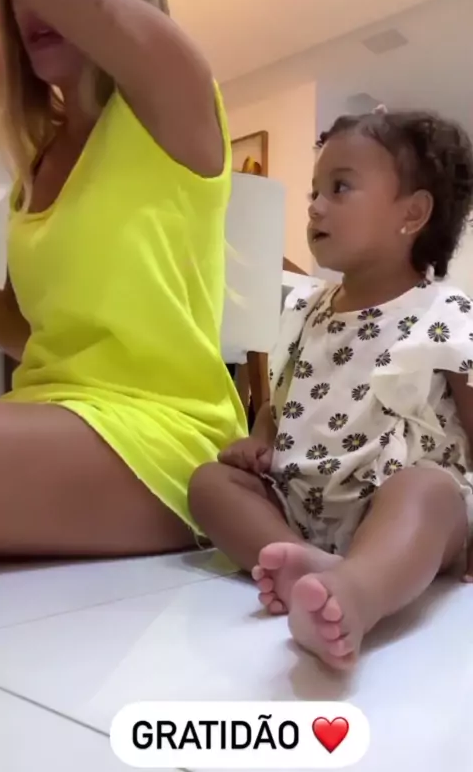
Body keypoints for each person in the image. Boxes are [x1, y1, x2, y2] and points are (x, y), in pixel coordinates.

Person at [0, 0, 245, 557]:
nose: (28, 1)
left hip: (163, 432)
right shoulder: (37, 164)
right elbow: (35, 332)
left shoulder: (173, 88)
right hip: (51, 410)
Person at [189, 109, 473, 669]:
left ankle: (359, 593)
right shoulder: (303, 310)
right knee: (209, 484)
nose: (315, 206)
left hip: (399, 513)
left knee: (427, 492)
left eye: (339, 188)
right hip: (301, 506)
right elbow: (281, 403)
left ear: (412, 214)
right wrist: (259, 442)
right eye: (314, 192)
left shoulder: (445, 315)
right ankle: (305, 563)